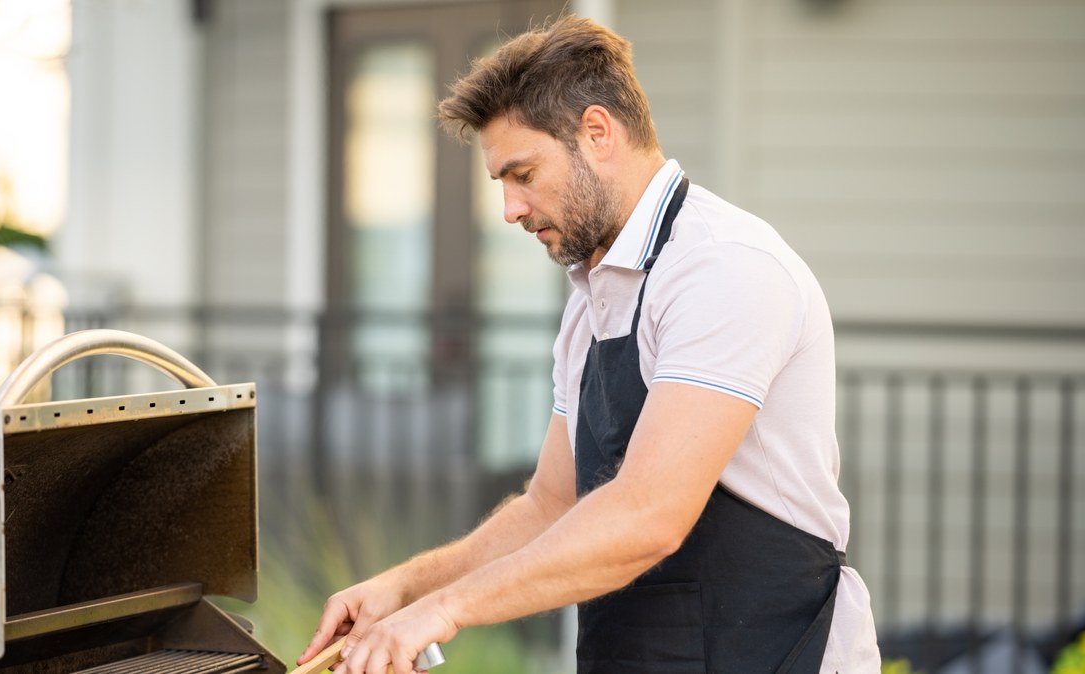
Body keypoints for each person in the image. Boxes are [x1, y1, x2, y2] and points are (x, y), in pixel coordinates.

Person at [299, 15, 879, 674]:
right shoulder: (592, 302)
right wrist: (406, 590)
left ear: (597, 133)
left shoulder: (723, 269)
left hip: (775, 656)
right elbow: (551, 503)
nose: (511, 210)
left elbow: (649, 514)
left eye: (523, 173)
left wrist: (447, 610)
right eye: (502, 184)